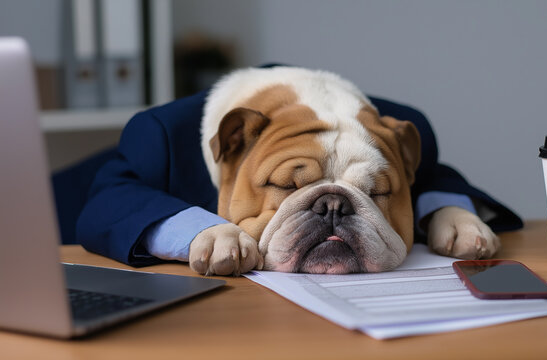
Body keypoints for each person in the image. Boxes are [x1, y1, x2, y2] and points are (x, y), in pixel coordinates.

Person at [76, 68, 523, 269]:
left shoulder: (400, 130)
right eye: (289, 185)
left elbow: (433, 178)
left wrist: (447, 212)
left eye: (372, 190)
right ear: (231, 145)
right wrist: (197, 231)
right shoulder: (163, 136)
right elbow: (104, 204)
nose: (332, 210)